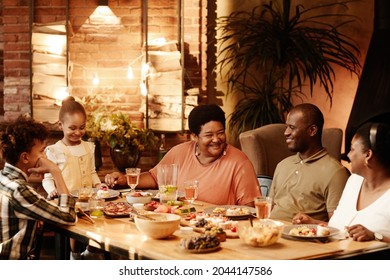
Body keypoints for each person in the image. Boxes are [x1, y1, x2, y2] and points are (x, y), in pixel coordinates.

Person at [106, 104, 261, 206]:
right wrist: (124, 179)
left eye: (220, 133)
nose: (216, 140)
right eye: (209, 135)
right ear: (194, 136)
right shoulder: (180, 152)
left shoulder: (239, 162)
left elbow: (250, 208)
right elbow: (155, 178)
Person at [293, 122, 390, 243]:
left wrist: (375, 236)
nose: (348, 154)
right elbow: (342, 230)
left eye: (352, 149)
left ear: (368, 155)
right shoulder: (354, 181)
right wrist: (314, 223)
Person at [0, 116, 77, 260]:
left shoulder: (3, 178)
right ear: (25, 158)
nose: (44, 156)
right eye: (41, 151)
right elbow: (69, 217)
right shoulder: (20, 190)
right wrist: (55, 170)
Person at [42, 96, 103, 260]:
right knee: (74, 223)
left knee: (99, 220)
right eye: (72, 128)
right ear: (60, 125)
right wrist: (52, 190)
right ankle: (74, 255)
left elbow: (91, 172)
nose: (78, 132)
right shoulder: (55, 150)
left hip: (88, 198)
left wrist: (98, 185)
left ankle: (90, 251)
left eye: (82, 127)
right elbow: (47, 178)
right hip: (67, 201)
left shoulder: (88, 147)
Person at [268, 103, 350, 222]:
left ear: (312, 130)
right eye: (287, 127)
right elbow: (269, 209)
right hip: (269, 232)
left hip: (302, 237)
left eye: (292, 127)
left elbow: (337, 228)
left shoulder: (336, 173)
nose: (286, 132)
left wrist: (311, 222)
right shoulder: (282, 165)